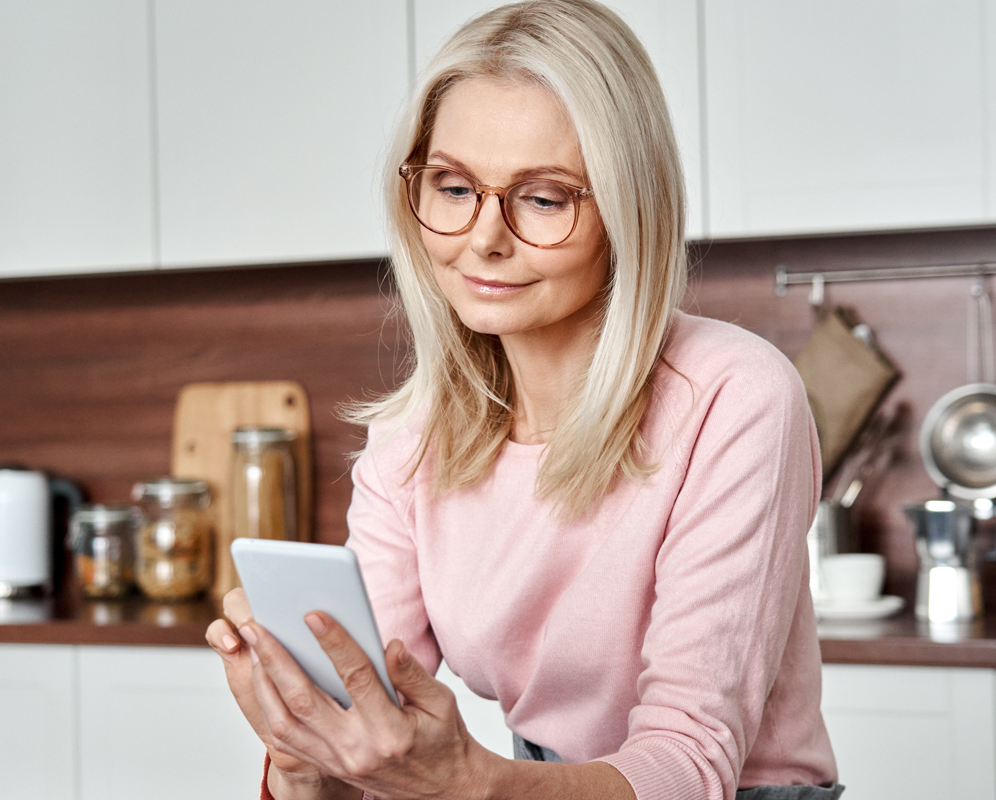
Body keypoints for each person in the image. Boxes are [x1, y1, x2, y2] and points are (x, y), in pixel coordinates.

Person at [205, 2, 843, 798]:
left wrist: (469, 784)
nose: (484, 237)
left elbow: (690, 761)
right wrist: (304, 753)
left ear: (626, 210)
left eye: (543, 199)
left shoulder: (735, 397)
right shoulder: (413, 435)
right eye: (453, 186)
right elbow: (372, 740)